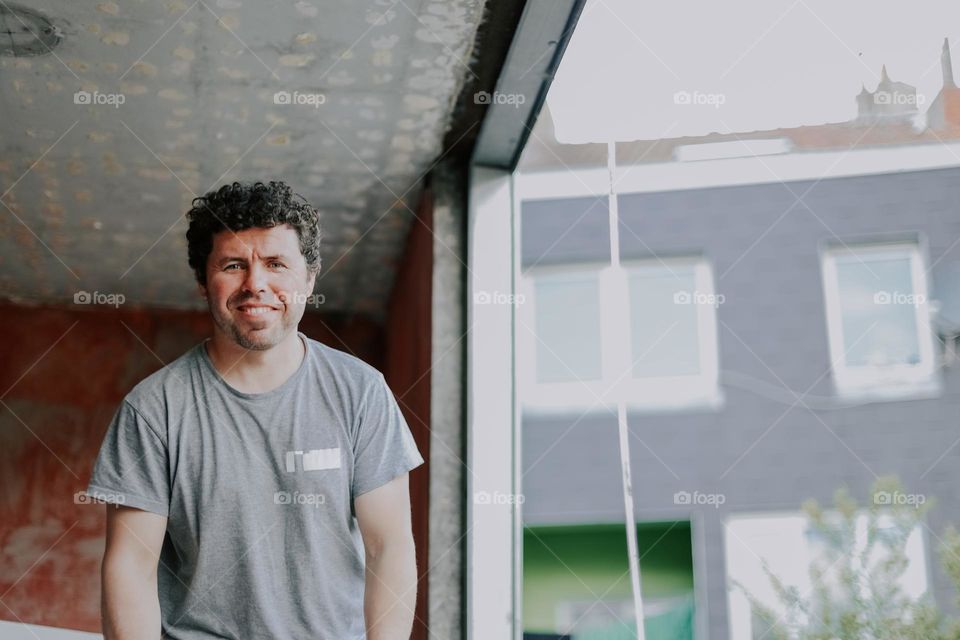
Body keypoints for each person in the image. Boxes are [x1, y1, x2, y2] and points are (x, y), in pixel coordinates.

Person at [86, 180, 424, 639]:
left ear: (308, 276)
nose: (255, 284)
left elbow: (390, 548)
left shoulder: (361, 392)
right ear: (203, 280)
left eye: (275, 264)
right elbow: (131, 566)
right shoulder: (154, 410)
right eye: (233, 265)